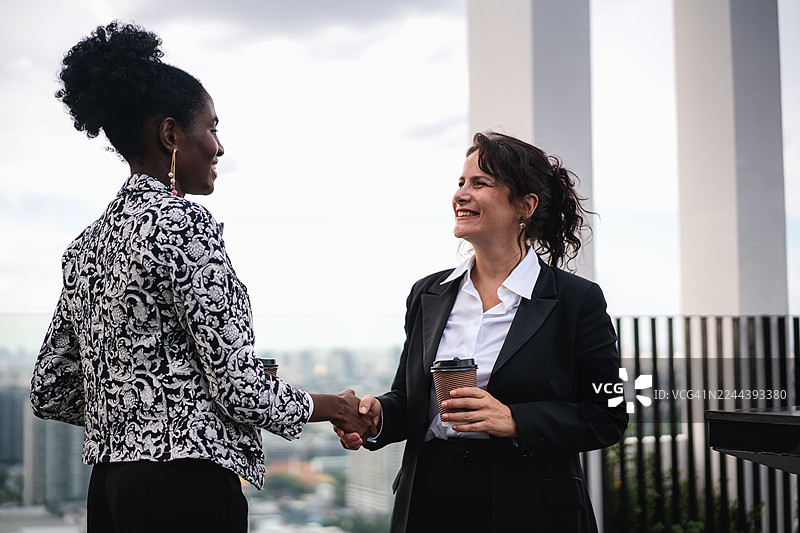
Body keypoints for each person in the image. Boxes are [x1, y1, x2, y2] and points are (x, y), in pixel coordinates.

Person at [30, 22, 374, 533]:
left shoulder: (88, 245)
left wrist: (134, 412)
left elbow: (49, 388)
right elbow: (237, 388)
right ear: (171, 135)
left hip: (109, 491)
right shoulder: (184, 226)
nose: (219, 146)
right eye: (211, 128)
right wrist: (336, 407)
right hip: (184, 493)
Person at [336, 132, 629, 532]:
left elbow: (607, 415)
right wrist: (377, 418)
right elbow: (412, 400)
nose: (461, 194)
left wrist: (515, 420)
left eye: (480, 183)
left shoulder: (577, 301)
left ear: (525, 206)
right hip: (430, 502)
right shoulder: (428, 293)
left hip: (530, 507)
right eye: (461, 183)